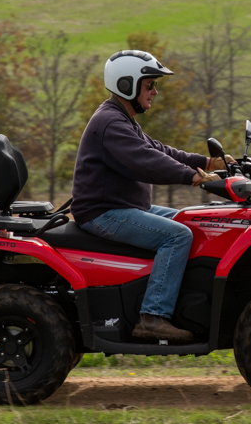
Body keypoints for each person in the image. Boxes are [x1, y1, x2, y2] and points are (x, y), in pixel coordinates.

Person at [70, 48, 228, 344]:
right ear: (126, 84)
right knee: (178, 236)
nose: (155, 91)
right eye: (149, 85)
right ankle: (153, 317)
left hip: (123, 206)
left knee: (194, 221)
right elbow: (145, 160)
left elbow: (159, 150)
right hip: (102, 213)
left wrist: (205, 163)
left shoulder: (121, 118)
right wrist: (191, 176)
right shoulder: (111, 123)